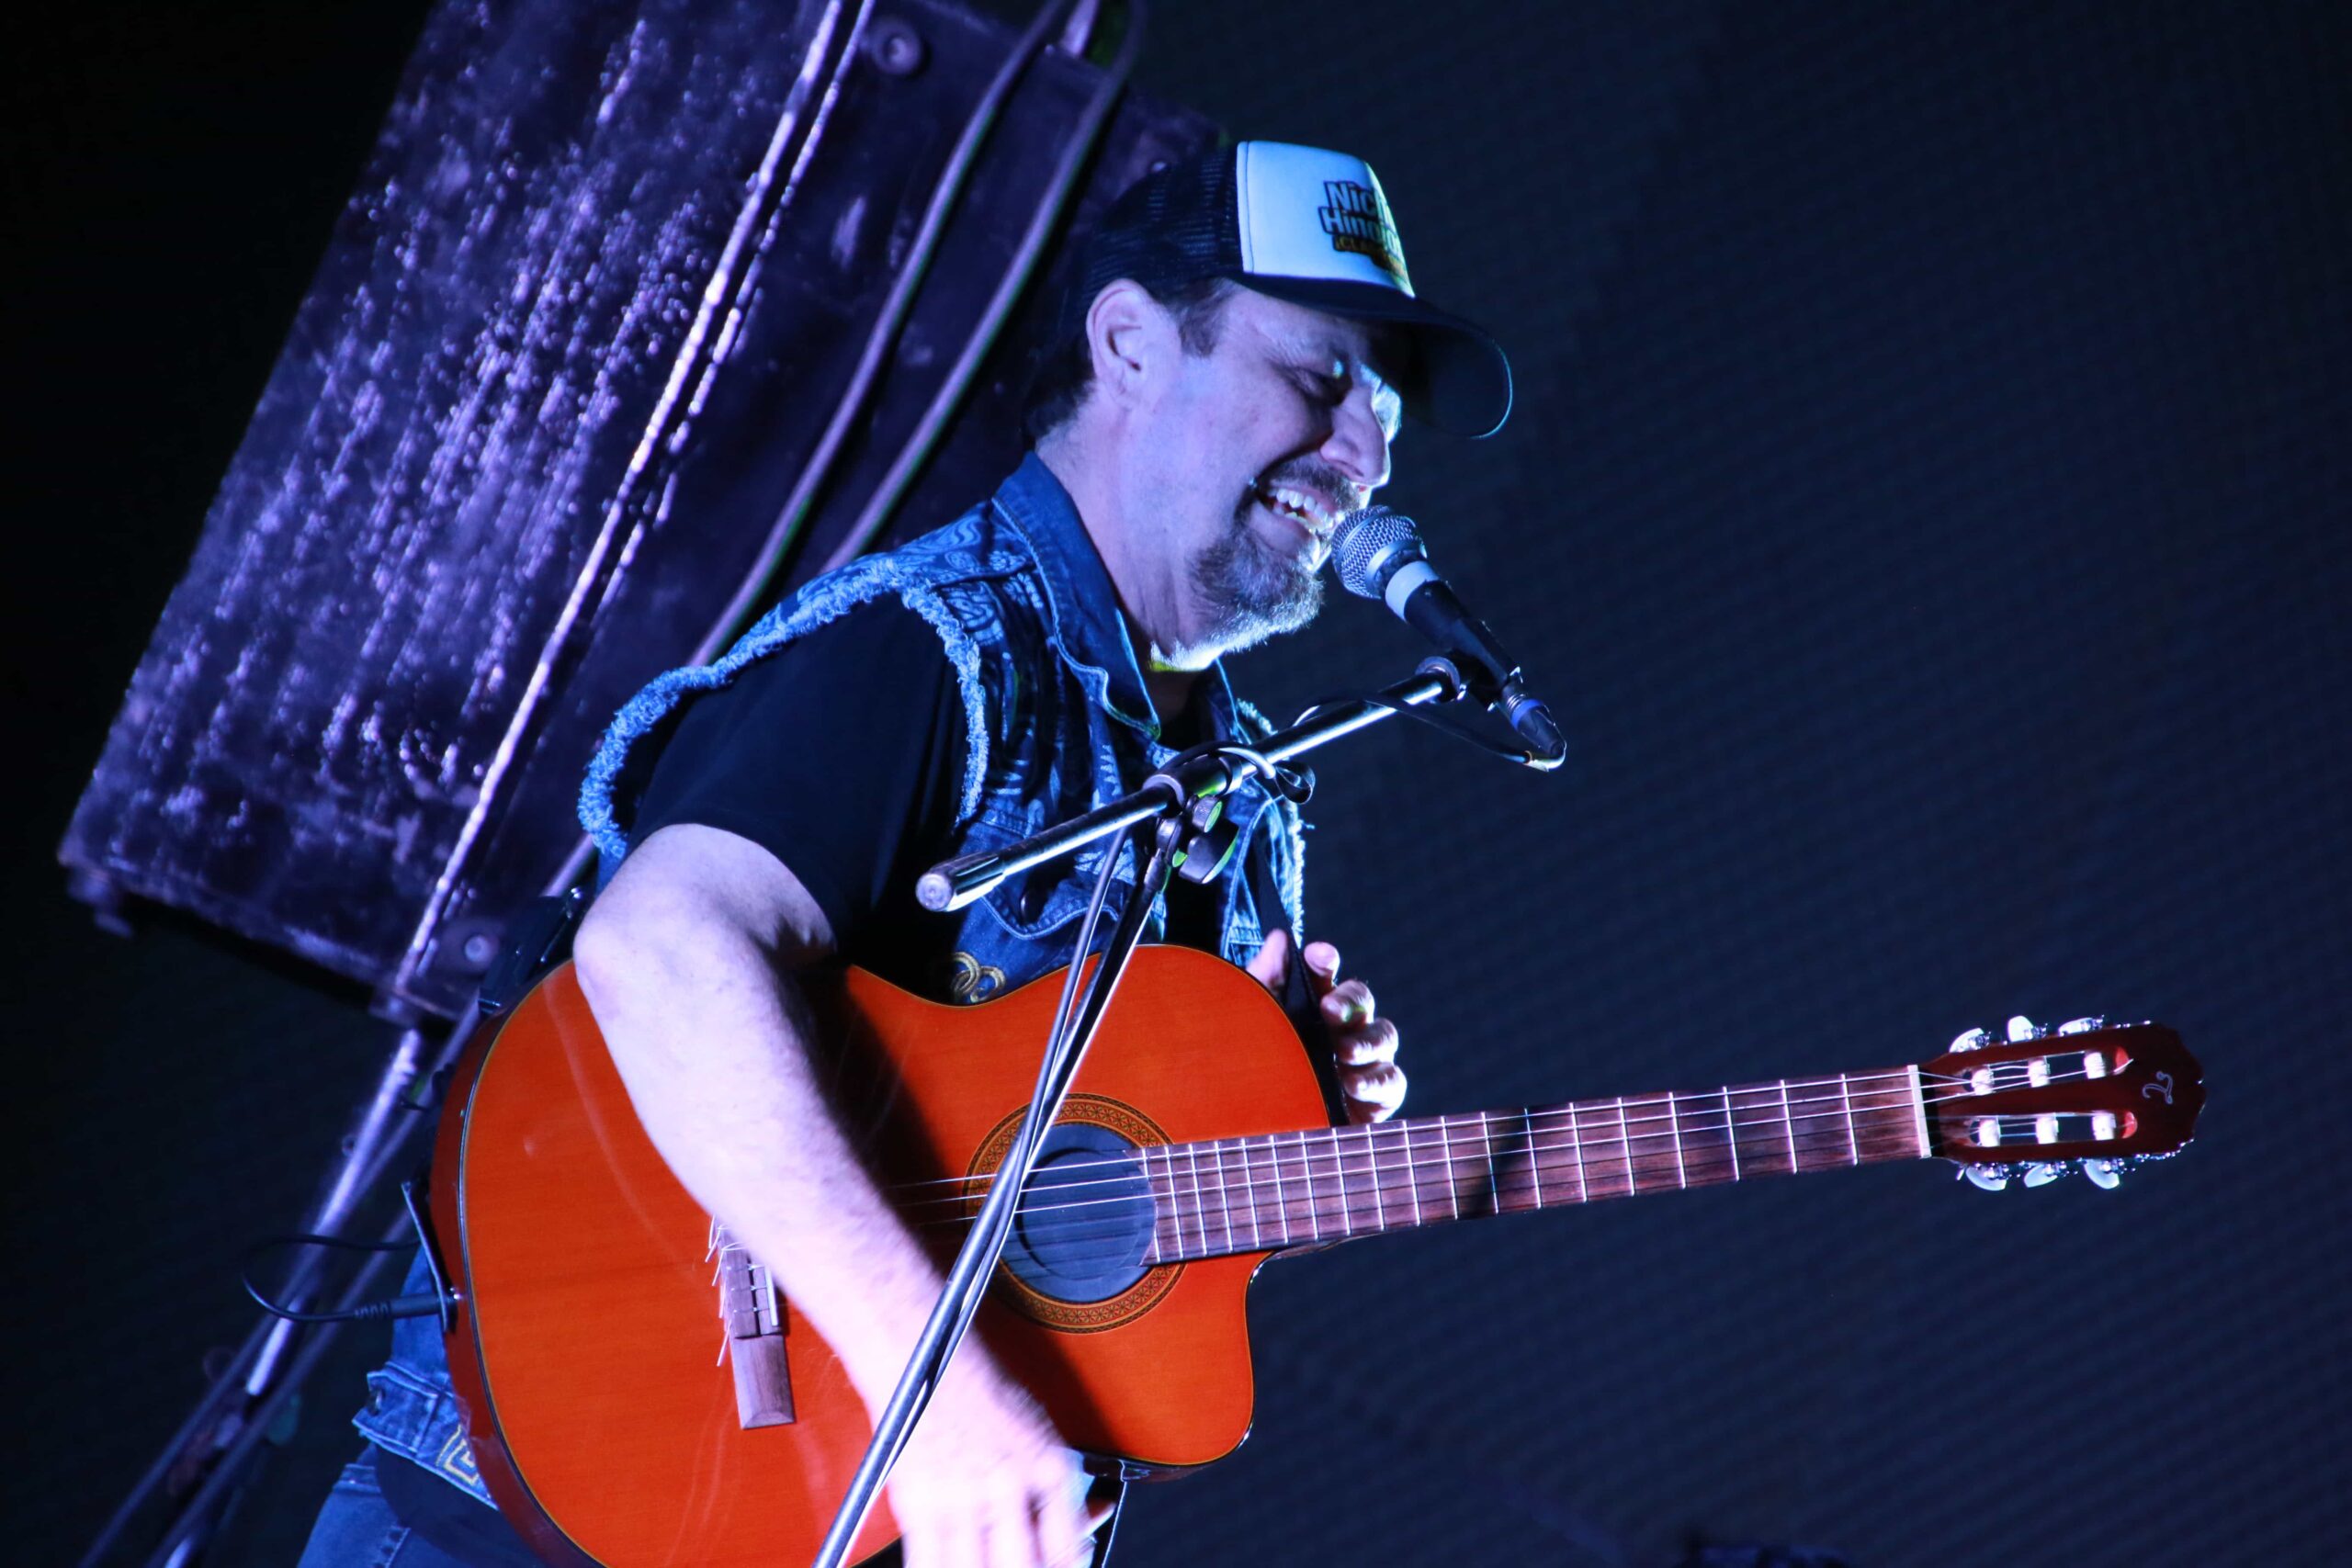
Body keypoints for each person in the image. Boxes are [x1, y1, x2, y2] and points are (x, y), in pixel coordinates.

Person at [297, 138, 1510, 1568]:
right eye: (1320, 378)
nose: (1367, 457)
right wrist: (926, 1390)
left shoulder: (1239, 804)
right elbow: (661, 948)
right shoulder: (934, 648)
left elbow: (1050, 1219)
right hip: (537, 1518)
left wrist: (1281, 1134)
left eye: (1385, 414)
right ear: (1130, 345)